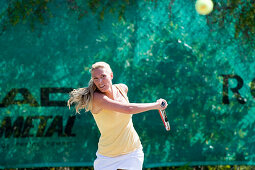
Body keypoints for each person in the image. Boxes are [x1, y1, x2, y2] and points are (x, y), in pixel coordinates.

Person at [67, 61, 168, 170]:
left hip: (132, 152)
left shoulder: (122, 88)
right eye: (95, 78)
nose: (100, 81)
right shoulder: (97, 98)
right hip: (107, 157)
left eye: (103, 76)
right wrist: (156, 105)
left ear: (111, 75)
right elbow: (128, 109)